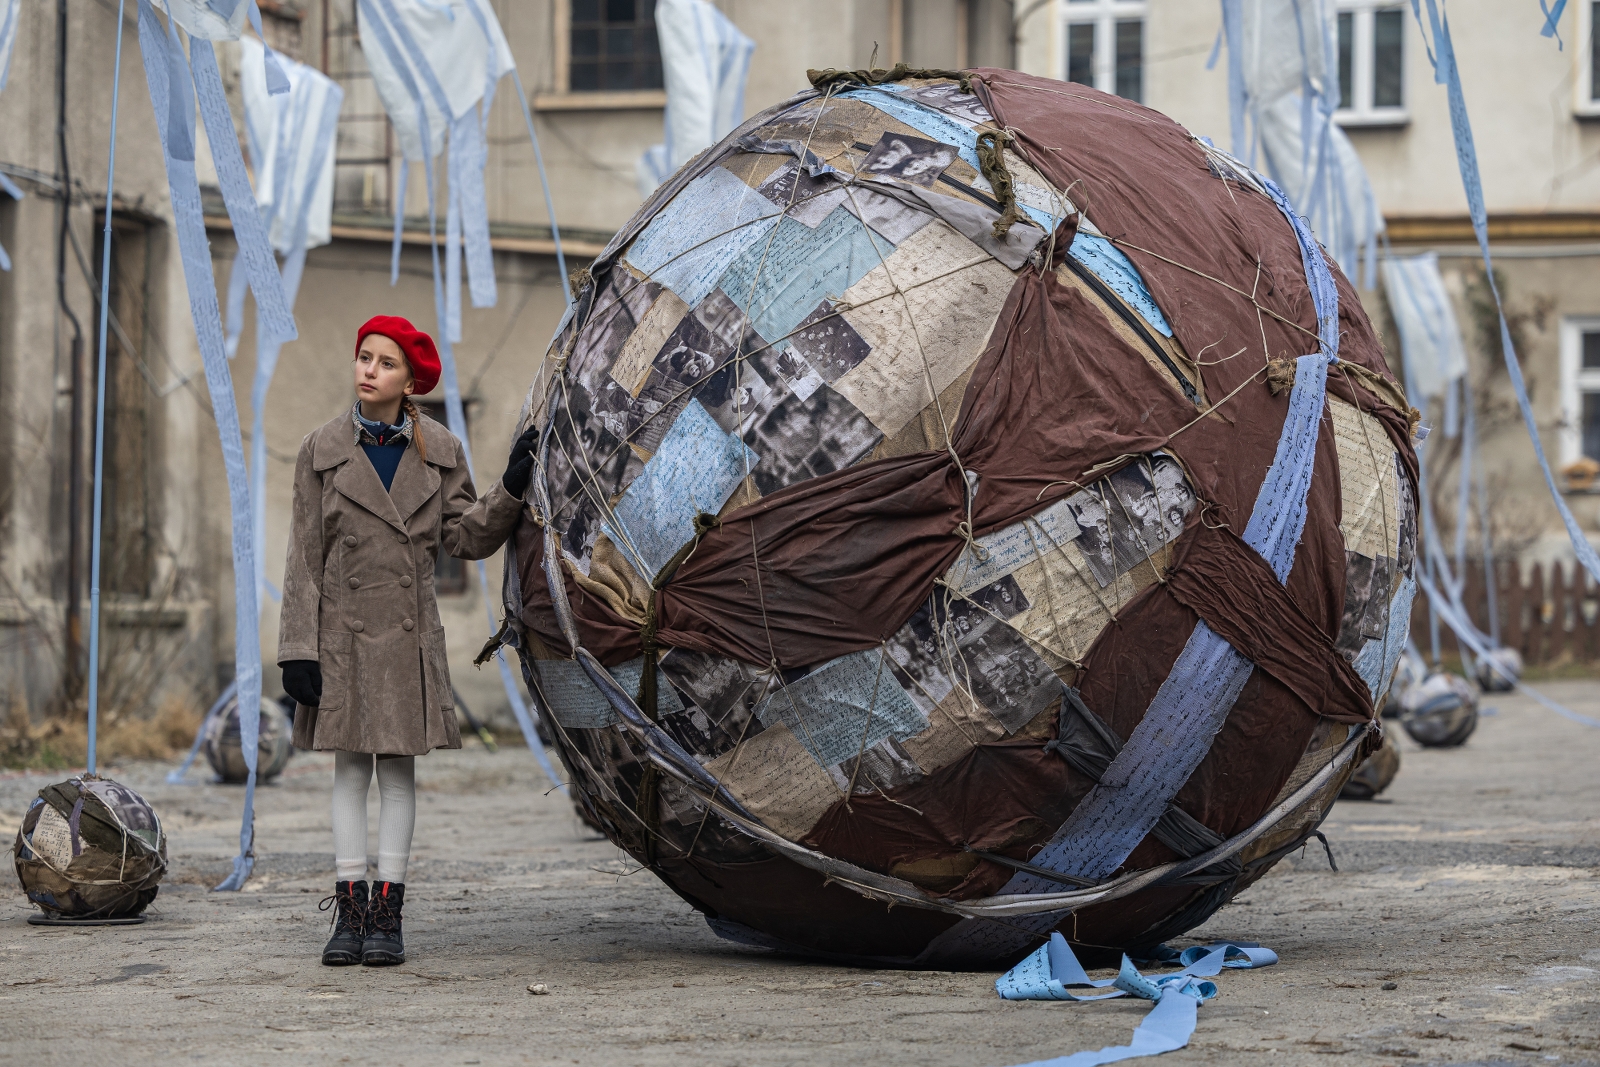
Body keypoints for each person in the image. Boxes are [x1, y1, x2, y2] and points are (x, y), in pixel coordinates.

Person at [277, 315, 537, 967]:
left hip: (406, 633)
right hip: (340, 635)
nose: (368, 370)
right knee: (349, 770)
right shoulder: (319, 449)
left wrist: (510, 488)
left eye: (385, 362)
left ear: (410, 381)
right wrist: (297, 648)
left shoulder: (441, 450)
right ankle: (349, 913)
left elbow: (465, 537)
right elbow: (303, 554)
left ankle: (387, 916)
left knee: (396, 772)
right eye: (364, 356)